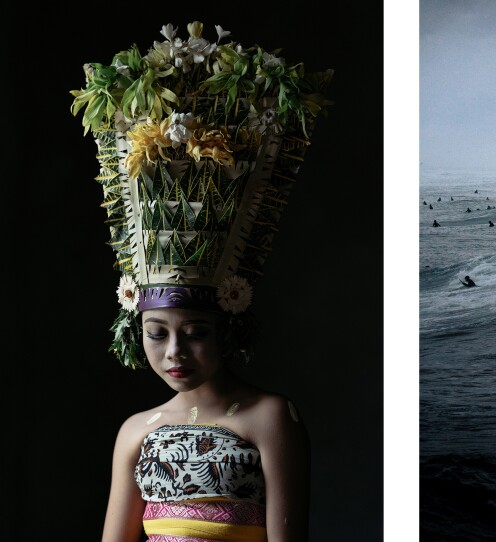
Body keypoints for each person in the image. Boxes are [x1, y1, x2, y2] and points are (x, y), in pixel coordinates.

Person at [70, 21, 331, 541]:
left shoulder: (271, 417)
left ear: (227, 326)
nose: (174, 353)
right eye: (157, 332)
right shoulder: (135, 432)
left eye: (196, 331)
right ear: (136, 331)